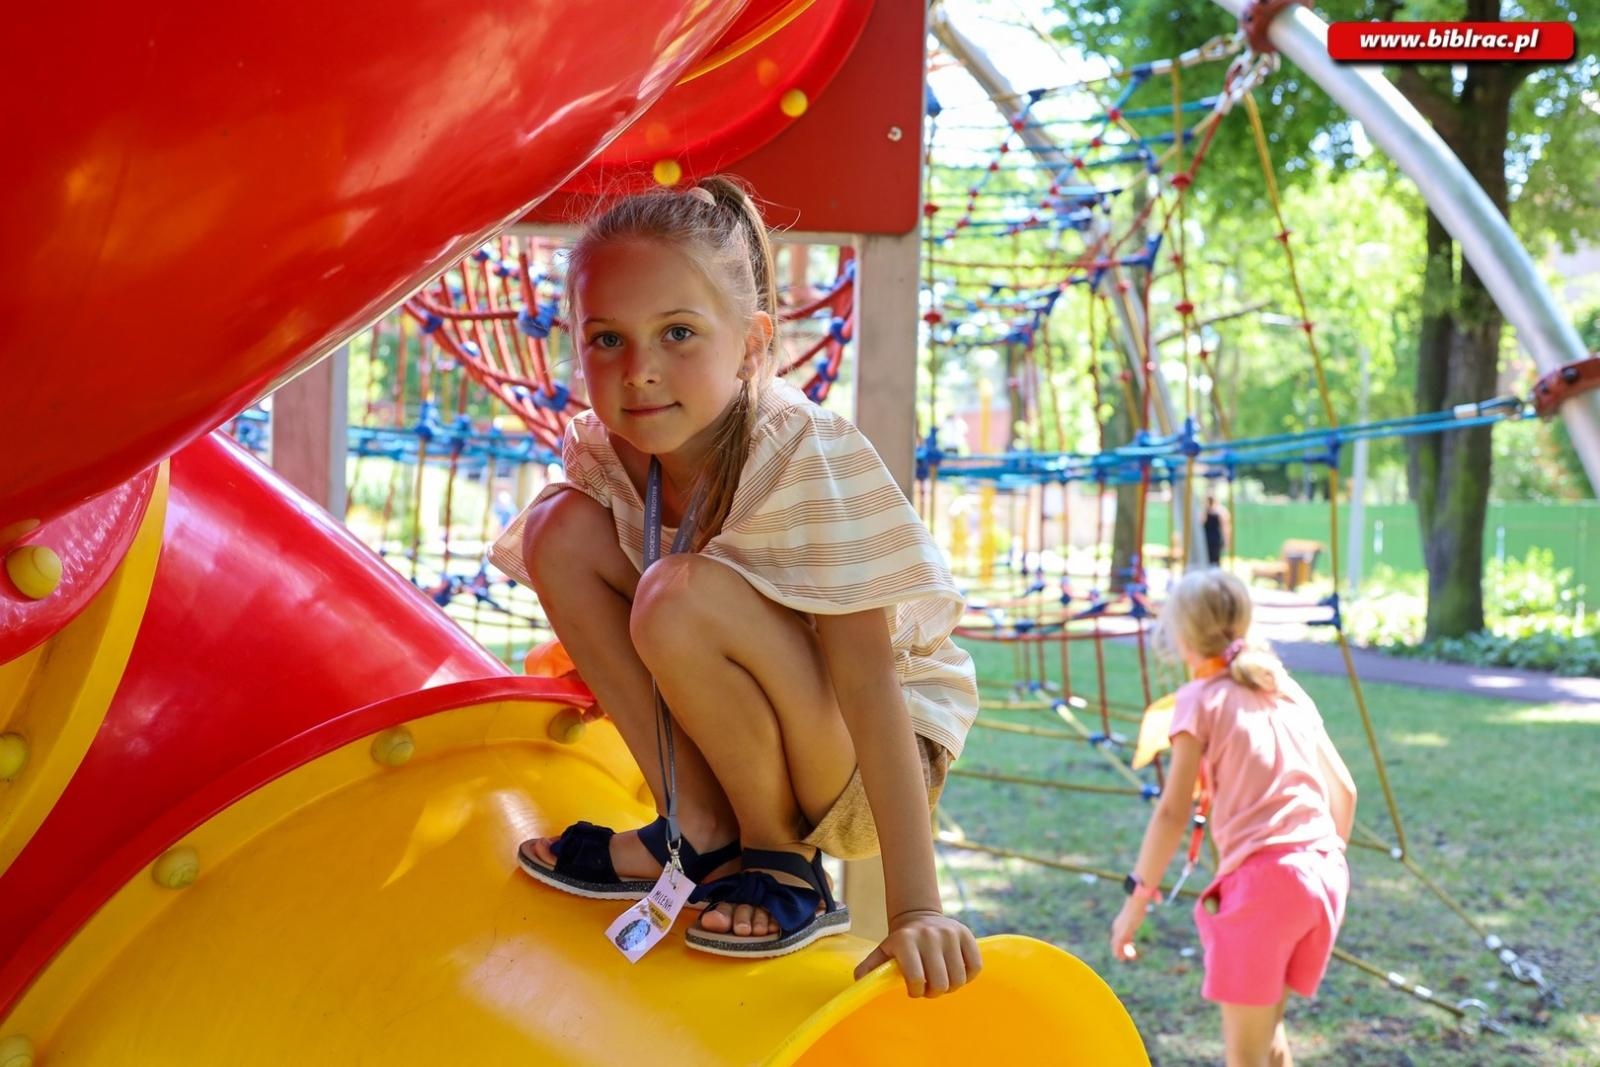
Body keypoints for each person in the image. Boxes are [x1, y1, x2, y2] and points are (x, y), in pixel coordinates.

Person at [487, 176, 981, 997]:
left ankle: (783, 862)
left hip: (863, 764)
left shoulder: (797, 452)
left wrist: (916, 905)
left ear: (751, 345)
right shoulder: (610, 455)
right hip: (758, 720)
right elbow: (598, 574)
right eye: (607, 339)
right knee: (554, 528)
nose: (640, 371)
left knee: (677, 594)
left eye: (678, 333)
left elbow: (869, 681)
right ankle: (700, 832)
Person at [1111, 568, 1356, 1066]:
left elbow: (1172, 812)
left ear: (1181, 636)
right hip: (1325, 873)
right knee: (1267, 1034)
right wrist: (1314, 867)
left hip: (1267, 886)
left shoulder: (1198, 700)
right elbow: (1345, 792)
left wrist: (1135, 904)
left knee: (1244, 1057)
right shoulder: (1283, 687)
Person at [1203, 493, 1230, 567]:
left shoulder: (1217, 512)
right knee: (1213, 559)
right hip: (1213, 538)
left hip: (1211, 538)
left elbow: (1224, 527)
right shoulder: (1216, 512)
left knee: (1212, 559)